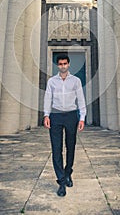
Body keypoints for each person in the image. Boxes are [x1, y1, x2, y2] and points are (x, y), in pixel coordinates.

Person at [43, 54, 87, 197]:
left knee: (70, 147)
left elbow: (81, 99)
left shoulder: (76, 81)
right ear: (58, 65)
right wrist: (46, 115)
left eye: (65, 64)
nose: (63, 66)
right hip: (55, 115)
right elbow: (47, 98)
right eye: (60, 64)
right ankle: (61, 182)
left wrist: (82, 118)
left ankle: (68, 173)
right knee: (56, 149)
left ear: (69, 64)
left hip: (70, 116)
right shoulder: (52, 81)